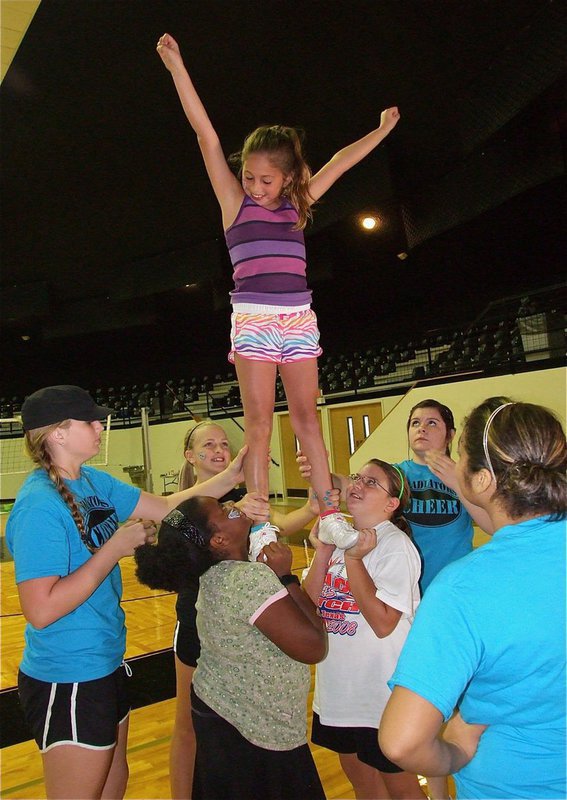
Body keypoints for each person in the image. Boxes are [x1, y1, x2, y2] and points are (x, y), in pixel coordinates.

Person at [156, 33, 400, 556]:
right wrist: (178, 66)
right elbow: (205, 135)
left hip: (297, 317)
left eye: (267, 180)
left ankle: (329, 513)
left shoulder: (298, 203)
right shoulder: (232, 201)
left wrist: (381, 131)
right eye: (249, 176)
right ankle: (262, 517)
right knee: (261, 420)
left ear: (289, 177)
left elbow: (341, 159)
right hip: (253, 319)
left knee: (308, 415)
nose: (256, 187)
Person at [6, 385, 265, 800]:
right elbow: (40, 609)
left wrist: (230, 476)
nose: (98, 426)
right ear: (57, 433)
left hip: (104, 661)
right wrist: (113, 550)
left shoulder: (92, 482)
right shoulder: (39, 506)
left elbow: (167, 507)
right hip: (69, 674)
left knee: (113, 784)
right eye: (88, 420)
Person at [379, 398, 567, 799]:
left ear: (481, 480)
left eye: (461, 455)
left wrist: (456, 750)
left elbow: (403, 742)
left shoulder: (463, 588)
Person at [135, 495, 328, 800]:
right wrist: (285, 577)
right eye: (224, 510)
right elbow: (314, 647)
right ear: (219, 539)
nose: (234, 506)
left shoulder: (212, 574)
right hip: (256, 734)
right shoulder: (248, 580)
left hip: (223, 721)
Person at [171, 419, 326, 799]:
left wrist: (310, 508)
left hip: (245, 618)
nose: (219, 450)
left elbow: (274, 526)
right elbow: (176, 523)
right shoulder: (185, 507)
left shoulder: (231, 507)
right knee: (189, 722)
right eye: (208, 445)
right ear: (190, 456)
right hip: (201, 617)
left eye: (224, 443)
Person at [302, 459, 426, 800]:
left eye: (372, 482)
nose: (358, 483)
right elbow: (307, 606)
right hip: (341, 690)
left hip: (380, 695)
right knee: (362, 782)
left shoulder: (395, 545)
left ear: (391, 504)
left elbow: (384, 623)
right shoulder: (340, 536)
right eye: (358, 476)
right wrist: (326, 550)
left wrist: (354, 559)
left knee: (401, 788)